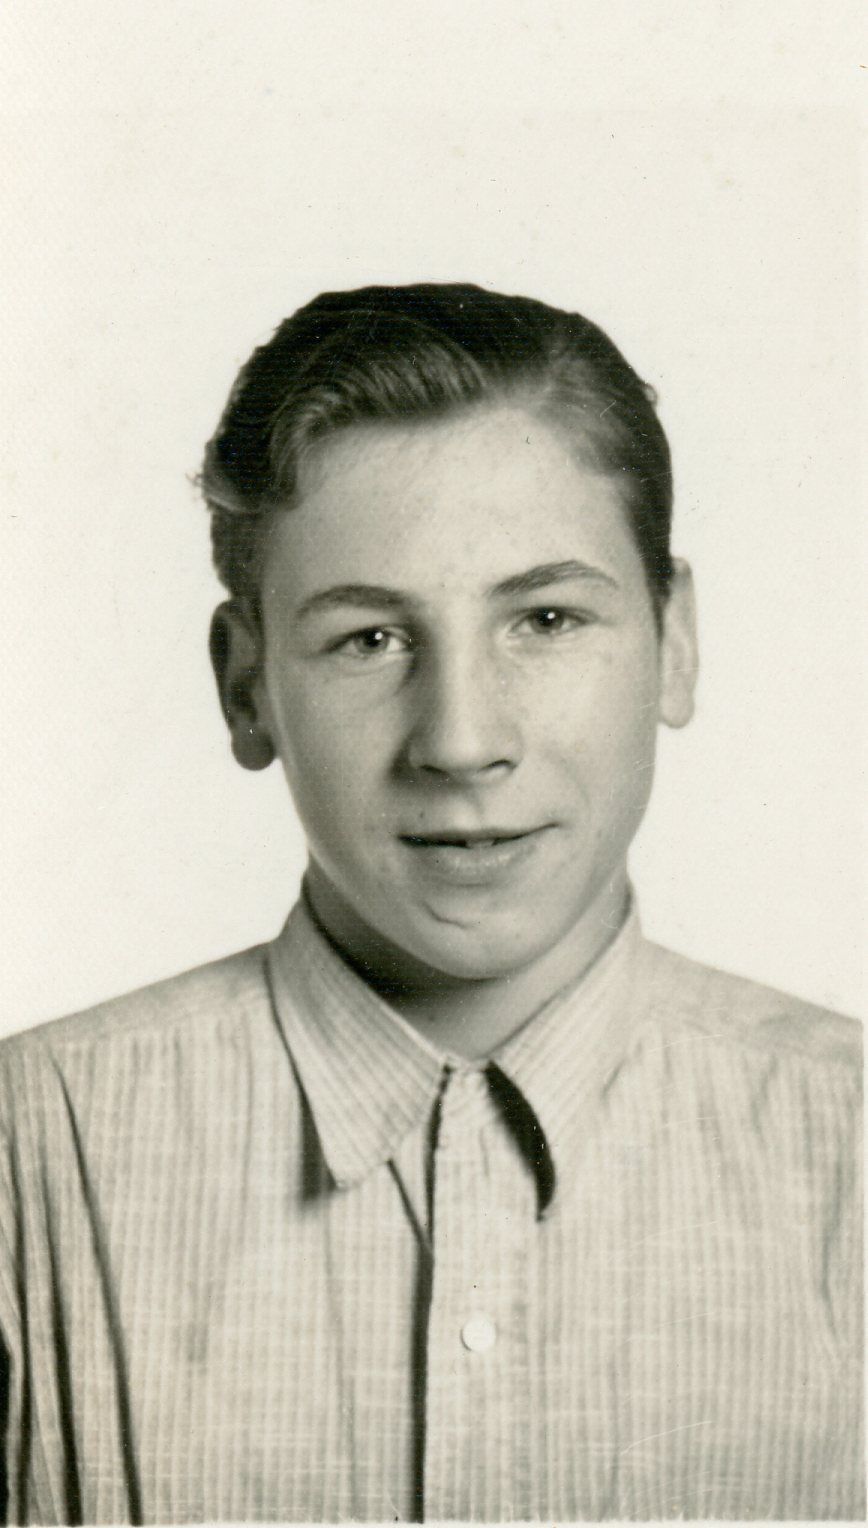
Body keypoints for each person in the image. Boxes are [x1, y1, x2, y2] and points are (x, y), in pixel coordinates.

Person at [0, 284, 862, 1524]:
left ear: (674, 642)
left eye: (545, 619)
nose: (460, 741)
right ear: (247, 689)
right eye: (369, 640)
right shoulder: (30, 1154)